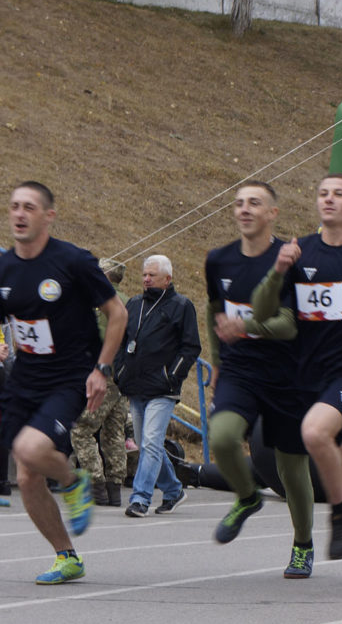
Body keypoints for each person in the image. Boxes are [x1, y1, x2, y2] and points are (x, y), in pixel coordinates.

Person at [252, 173, 342, 586]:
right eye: (322, 193)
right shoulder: (298, 252)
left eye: (339, 194)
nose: (329, 199)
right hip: (311, 373)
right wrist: (277, 271)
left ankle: (338, 513)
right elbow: (263, 311)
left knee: (315, 433)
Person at [0, 182, 127, 583]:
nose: (20, 214)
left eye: (29, 207)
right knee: (25, 475)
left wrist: (102, 370)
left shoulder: (73, 261)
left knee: (28, 449)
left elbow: (118, 313)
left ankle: (73, 481)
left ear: (48, 216)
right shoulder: (4, 267)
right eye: (15, 206)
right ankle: (67, 556)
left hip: (70, 375)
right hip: (25, 376)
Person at [205, 181, 316, 578]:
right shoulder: (218, 260)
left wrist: (247, 325)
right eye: (238, 203)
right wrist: (217, 360)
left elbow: (288, 325)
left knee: (291, 468)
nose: (244, 209)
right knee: (222, 436)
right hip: (240, 369)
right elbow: (214, 310)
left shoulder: (290, 258)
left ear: (273, 213)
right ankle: (247, 497)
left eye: (255, 203)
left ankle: (303, 543)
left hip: (288, 373)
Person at [115, 254, 200, 518]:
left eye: (152, 275)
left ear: (168, 278)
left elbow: (191, 347)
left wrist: (171, 375)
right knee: (146, 443)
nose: (147, 279)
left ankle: (140, 498)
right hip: (136, 386)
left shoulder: (181, 305)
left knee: (151, 441)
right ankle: (174, 491)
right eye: (144, 274)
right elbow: (121, 340)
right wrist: (120, 371)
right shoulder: (134, 303)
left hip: (163, 389)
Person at [70, 258, 130, 507]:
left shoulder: (101, 302)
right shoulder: (130, 301)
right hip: (124, 375)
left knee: (81, 429)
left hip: (103, 374)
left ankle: (96, 485)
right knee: (113, 432)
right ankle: (114, 488)